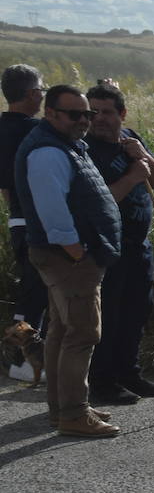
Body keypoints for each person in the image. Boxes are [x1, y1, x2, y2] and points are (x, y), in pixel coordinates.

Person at [13, 85, 122, 437]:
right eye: (74, 114)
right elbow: (52, 211)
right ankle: (73, 414)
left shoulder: (65, 144)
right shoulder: (47, 151)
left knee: (62, 330)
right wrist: (77, 251)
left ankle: (64, 408)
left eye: (86, 114)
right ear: (51, 114)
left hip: (68, 257)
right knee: (82, 333)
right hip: (68, 258)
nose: (83, 120)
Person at [84, 83, 154, 405]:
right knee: (109, 314)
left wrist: (143, 155)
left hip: (138, 245)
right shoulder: (85, 149)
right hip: (107, 247)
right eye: (93, 112)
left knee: (137, 310)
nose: (98, 119)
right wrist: (132, 177)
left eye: (106, 112)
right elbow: (99, 203)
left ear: (122, 114)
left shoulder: (131, 139)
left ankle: (128, 373)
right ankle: (102, 381)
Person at [0, 64, 47, 380]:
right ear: (32, 94)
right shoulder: (34, 131)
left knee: (30, 288)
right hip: (37, 219)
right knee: (37, 290)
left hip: (16, 217)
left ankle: (16, 359)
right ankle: (20, 363)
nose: (43, 94)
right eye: (42, 89)